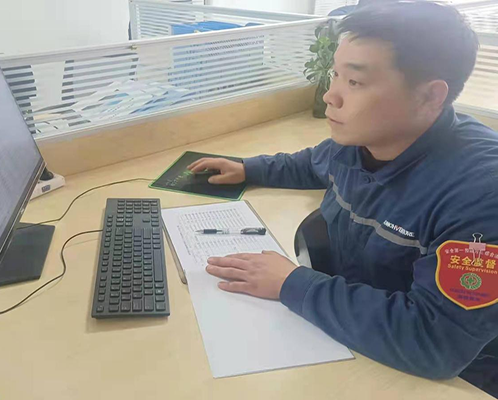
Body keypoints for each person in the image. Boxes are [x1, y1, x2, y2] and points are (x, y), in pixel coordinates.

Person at [187, 1, 498, 397]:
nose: (330, 96)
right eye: (335, 74)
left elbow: (436, 341)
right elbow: (312, 163)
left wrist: (293, 284)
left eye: (355, 82)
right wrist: (250, 168)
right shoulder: (360, 140)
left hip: (451, 378)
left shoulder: (482, 195)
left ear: (429, 96)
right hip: (352, 333)